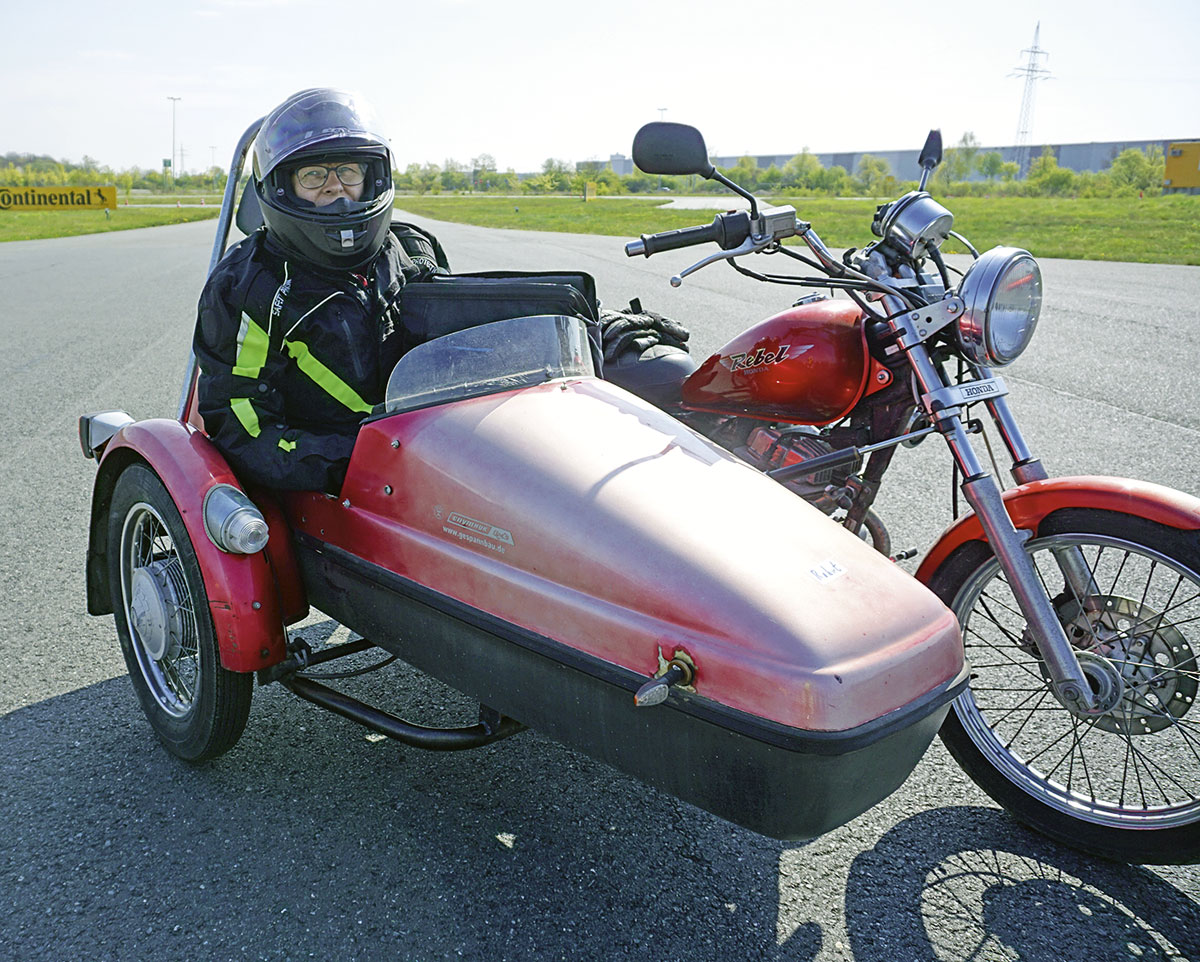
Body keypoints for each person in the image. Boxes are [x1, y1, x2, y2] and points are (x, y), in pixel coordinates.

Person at [193, 88, 448, 494]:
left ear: (371, 176)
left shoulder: (414, 251)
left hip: (427, 459)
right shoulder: (249, 284)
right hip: (323, 488)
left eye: (349, 170)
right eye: (313, 175)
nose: (335, 188)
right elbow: (241, 421)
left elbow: (460, 357)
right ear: (283, 186)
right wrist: (354, 458)